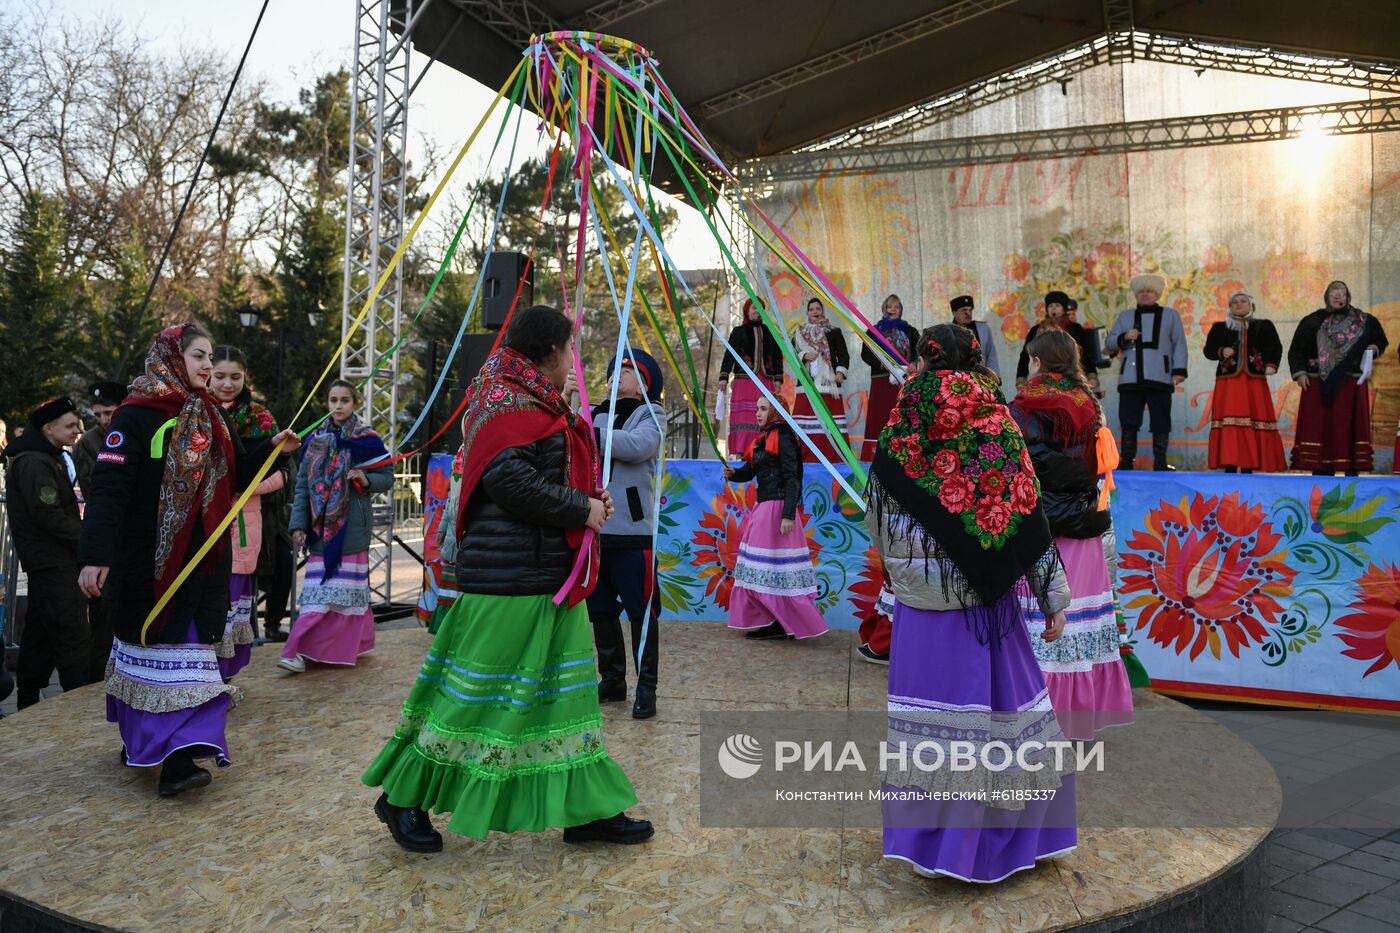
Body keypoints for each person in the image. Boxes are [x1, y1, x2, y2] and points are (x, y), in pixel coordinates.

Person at [363, 304, 651, 851]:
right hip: (508, 580)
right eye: (570, 350)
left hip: (548, 577)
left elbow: (539, 475)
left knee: (565, 700)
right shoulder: (504, 401)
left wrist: (588, 500)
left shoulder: (529, 399)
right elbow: (506, 480)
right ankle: (402, 798)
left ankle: (587, 809)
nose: (574, 363)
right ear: (549, 352)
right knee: (471, 699)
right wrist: (578, 508)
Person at [867, 323, 1075, 883]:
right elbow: (1028, 513)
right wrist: (1052, 596)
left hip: (922, 609)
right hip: (987, 609)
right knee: (1003, 715)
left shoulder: (901, 421)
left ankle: (934, 848)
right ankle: (1008, 843)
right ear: (977, 360)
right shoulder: (995, 420)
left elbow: (877, 512)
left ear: (920, 362)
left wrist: (908, 577)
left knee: (934, 727)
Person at [77, 324, 299, 796]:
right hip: (148, 566)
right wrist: (95, 555)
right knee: (152, 652)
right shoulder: (135, 417)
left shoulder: (211, 418)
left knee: (194, 657)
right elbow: (109, 492)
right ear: (170, 359)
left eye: (207, 356)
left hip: (204, 562)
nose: (204, 365)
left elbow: (237, 472)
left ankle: (179, 756)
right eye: (196, 356)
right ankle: (148, 743)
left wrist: (273, 450)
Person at [1010, 330, 1134, 739]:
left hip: (1043, 530)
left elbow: (1023, 466)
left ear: (1040, 362)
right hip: (1083, 525)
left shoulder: (1025, 406)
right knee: (1081, 621)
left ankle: (1038, 714)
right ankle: (1078, 715)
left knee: (1044, 622)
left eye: (1030, 359)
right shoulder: (1089, 402)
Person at [278, 380, 392, 673]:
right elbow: (302, 486)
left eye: (344, 400)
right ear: (326, 403)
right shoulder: (315, 440)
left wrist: (367, 480)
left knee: (348, 594)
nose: (338, 406)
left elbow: (387, 476)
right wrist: (298, 525)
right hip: (320, 531)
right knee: (321, 593)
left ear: (355, 403)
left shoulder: (368, 440)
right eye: (333, 400)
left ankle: (351, 645)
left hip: (352, 530)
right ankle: (296, 649)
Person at [589, 348, 666, 720]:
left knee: (642, 611)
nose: (617, 375)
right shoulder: (593, 413)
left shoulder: (651, 414)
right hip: (597, 530)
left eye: (627, 370)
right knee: (600, 609)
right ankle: (612, 680)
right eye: (614, 369)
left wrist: (587, 431)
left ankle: (646, 687)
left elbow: (637, 447)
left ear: (644, 383)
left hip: (633, 532)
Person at [3, 398, 89, 708]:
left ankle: (27, 701)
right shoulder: (35, 462)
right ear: (48, 428)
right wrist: (87, 540)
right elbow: (48, 515)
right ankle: (79, 704)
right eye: (69, 426)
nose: (76, 431)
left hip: (49, 564)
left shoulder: (44, 457)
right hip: (54, 564)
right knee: (72, 637)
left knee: (39, 637)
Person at [722, 397, 828, 641]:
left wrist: (788, 515)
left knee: (773, 568)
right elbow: (751, 470)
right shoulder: (763, 438)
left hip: (778, 510)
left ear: (775, 411)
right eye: (757, 408)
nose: (757, 413)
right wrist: (735, 474)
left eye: (763, 409)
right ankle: (775, 620)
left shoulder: (784, 437)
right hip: (764, 508)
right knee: (766, 568)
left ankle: (781, 622)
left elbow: (793, 478)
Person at [209, 346, 286, 678]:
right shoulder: (194, 412)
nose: (228, 384)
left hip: (244, 520)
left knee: (234, 594)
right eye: (220, 376)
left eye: (235, 377)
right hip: (202, 520)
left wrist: (244, 487)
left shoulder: (260, 418)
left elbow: (284, 474)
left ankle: (225, 671)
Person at [1288, 280, 1389, 475]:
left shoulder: (1364, 321)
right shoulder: (1312, 321)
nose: (1337, 296)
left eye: (1341, 293)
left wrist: (1374, 348)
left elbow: (1380, 340)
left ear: (1347, 296)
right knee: (1321, 428)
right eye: (1333, 293)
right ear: (1326, 297)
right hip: (1318, 382)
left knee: (1349, 427)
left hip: (1350, 382)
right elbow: (1296, 351)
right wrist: (1300, 373)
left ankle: (1352, 470)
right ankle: (1321, 471)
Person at [1104, 275, 1189, 470]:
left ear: (1157, 294)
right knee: (1128, 421)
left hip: (1161, 376)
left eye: (1149, 291)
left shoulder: (1171, 315)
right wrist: (1124, 337)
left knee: (1161, 420)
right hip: (1130, 379)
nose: (1145, 294)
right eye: (1141, 291)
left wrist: (1179, 370)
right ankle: (1127, 462)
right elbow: (1109, 344)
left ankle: (1160, 462)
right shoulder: (1125, 317)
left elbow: (1179, 344)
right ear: (1136, 294)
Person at [1203, 291, 1285, 473]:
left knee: (1254, 419)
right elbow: (1208, 350)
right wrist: (1221, 351)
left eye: (1243, 301)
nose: (1239, 305)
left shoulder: (1263, 326)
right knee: (1229, 420)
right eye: (1234, 302)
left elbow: (1275, 347)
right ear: (1229, 307)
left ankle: (1250, 465)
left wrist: (1271, 364)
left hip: (1253, 381)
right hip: (1228, 382)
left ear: (1252, 306)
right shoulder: (1220, 328)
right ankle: (1230, 464)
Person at [718, 298, 784, 456]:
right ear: (747, 311)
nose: (757, 311)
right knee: (745, 416)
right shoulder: (739, 332)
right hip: (744, 381)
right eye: (754, 308)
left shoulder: (769, 332)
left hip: (765, 380)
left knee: (765, 413)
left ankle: (764, 446)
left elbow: (776, 356)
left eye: (760, 308)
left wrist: (778, 378)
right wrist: (724, 377)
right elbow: (729, 355)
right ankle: (743, 450)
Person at [791, 297, 851, 463]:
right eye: (812, 309)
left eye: (818, 308)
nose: (815, 311)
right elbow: (791, 354)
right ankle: (805, 456)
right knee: (807, 420)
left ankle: (834, 456)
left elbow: (843, 355)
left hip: (829, 383)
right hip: (808, 383)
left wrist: (840, 373)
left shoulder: (834, 331)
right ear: (807, 312)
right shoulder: (799, 332)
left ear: (822, 311)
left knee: (829, 420)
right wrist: (804, 355)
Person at [860, 294, 919, 460]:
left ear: (901, 310)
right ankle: (876, 452)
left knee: (902, 413)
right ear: (883, 309)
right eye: (889, 306)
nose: (892, 310)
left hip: (904, 380)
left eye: (896, 307)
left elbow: (919, 352)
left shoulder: (910, 331)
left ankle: (905, 450)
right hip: (881, 378)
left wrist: (914, 364)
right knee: (880, 414)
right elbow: (866, 354)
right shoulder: (874, 332)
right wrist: (881, 364)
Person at [1016, 292, 1098, 389]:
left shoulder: (1075, 328)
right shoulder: (1037, 330)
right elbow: (1025, 356)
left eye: (1057, 305)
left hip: (1069, 376)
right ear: (1047, 309)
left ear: (1064, 308)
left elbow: (1086, 353)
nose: (1053, 308)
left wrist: (1091, 375)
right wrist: (1021, 378)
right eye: (1050, 305)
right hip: (1042, 377)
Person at [72, 381, 128, 501]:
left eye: (108, 413)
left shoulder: (136, 433)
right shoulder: (86, 442)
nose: (103, 420)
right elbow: (89, 486)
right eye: (97, 415)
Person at [950, 295, 1001, 382]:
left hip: (982, 379)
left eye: (970, 310)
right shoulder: (947, 331)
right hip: (956, 380)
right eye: (964, 310)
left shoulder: (983, 329)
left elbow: (991, 355)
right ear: (954, 313)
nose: (968, 313)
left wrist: (995, 377)